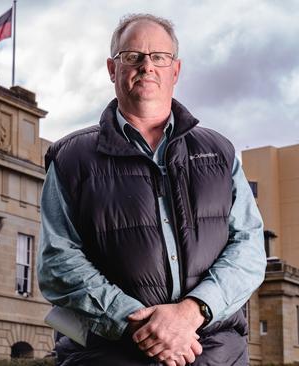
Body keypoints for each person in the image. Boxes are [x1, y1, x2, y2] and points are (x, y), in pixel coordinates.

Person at [37, 13, 266, 366]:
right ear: (113, 69)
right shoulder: (71, 157)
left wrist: (192, 313)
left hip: (215, 354)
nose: (147, 66)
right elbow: (58, 262)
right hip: (107, 355)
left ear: (176, 70)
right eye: (133, 57)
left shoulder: (220, 152)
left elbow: (249, 248)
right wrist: (140, 325)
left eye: (159, 57)